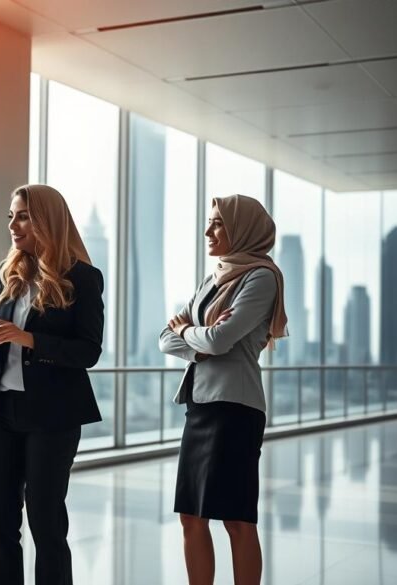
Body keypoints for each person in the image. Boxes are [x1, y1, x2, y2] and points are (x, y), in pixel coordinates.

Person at [0, 184, 104, 585]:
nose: (13, 224)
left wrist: (30, 340)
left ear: (46, 219)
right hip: (0, 413)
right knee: (0, 525)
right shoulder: (6, 277)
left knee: (45, 520)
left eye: (22, 215)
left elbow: (88, 352)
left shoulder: (83, 278)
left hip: (53, 416)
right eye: (11, 216)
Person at [159, 194, 287, 585]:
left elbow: (216, 340)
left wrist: (187, 331)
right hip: (200, 406)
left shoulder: (261, 277)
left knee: (236, 518)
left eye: (218, 223)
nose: (207, 231)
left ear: (242, 228)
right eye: (209, 222)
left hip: (235, 409)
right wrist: (195, 338)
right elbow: (165, 339)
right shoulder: (213, 279)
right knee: (190, 516)